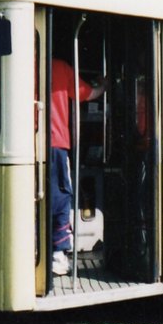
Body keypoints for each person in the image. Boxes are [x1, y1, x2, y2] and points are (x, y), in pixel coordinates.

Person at [49, 59, 105, 276]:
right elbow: (88, 94)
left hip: (25, 144)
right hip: (56, 143)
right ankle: (58, 254)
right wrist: (105, 86)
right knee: (62, 197)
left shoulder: (17, 64)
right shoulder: (59, 68)